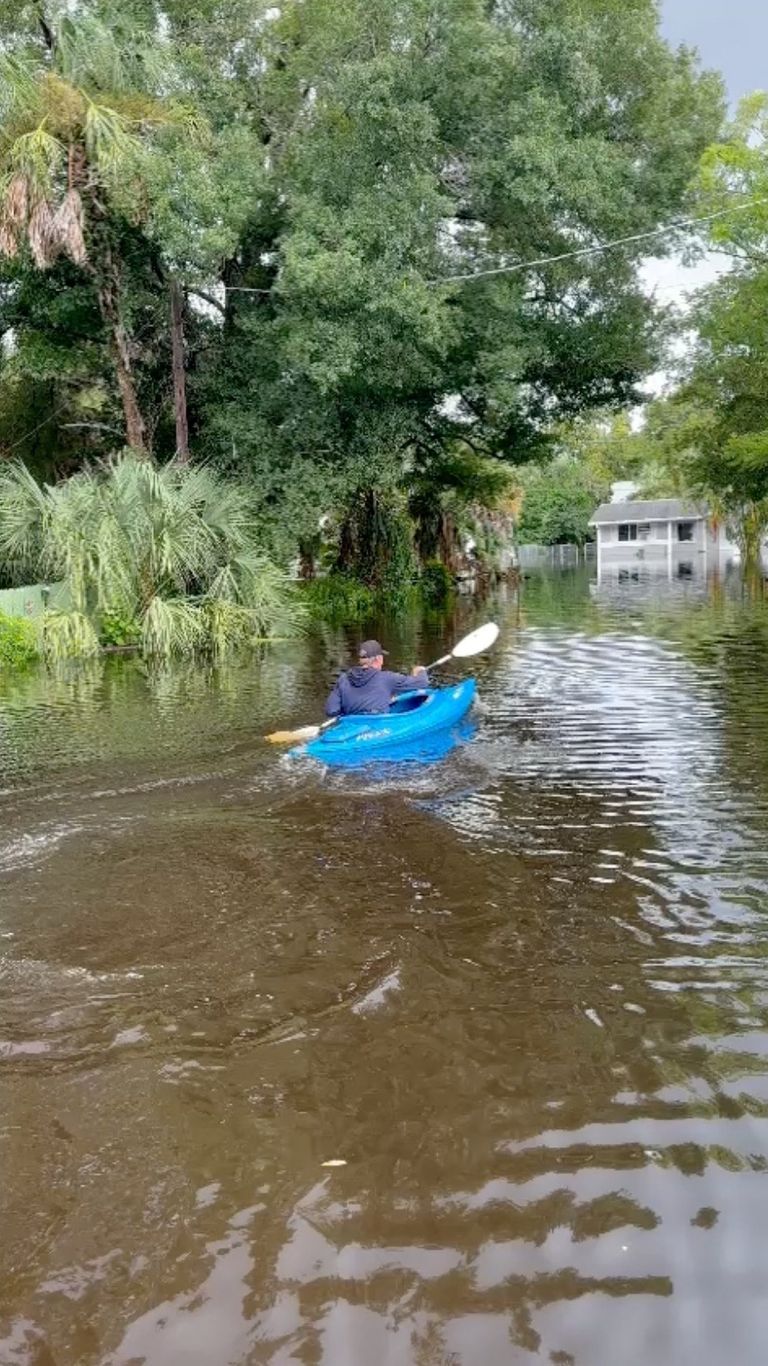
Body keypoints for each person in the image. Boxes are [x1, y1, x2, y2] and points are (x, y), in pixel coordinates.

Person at [325, 640, 429, 718]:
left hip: (351, 724)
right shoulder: (387, 678)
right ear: (379, 659)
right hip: (378, 726)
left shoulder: (343, 679)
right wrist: (420, 670)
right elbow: (422, 683)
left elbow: (331, 711)